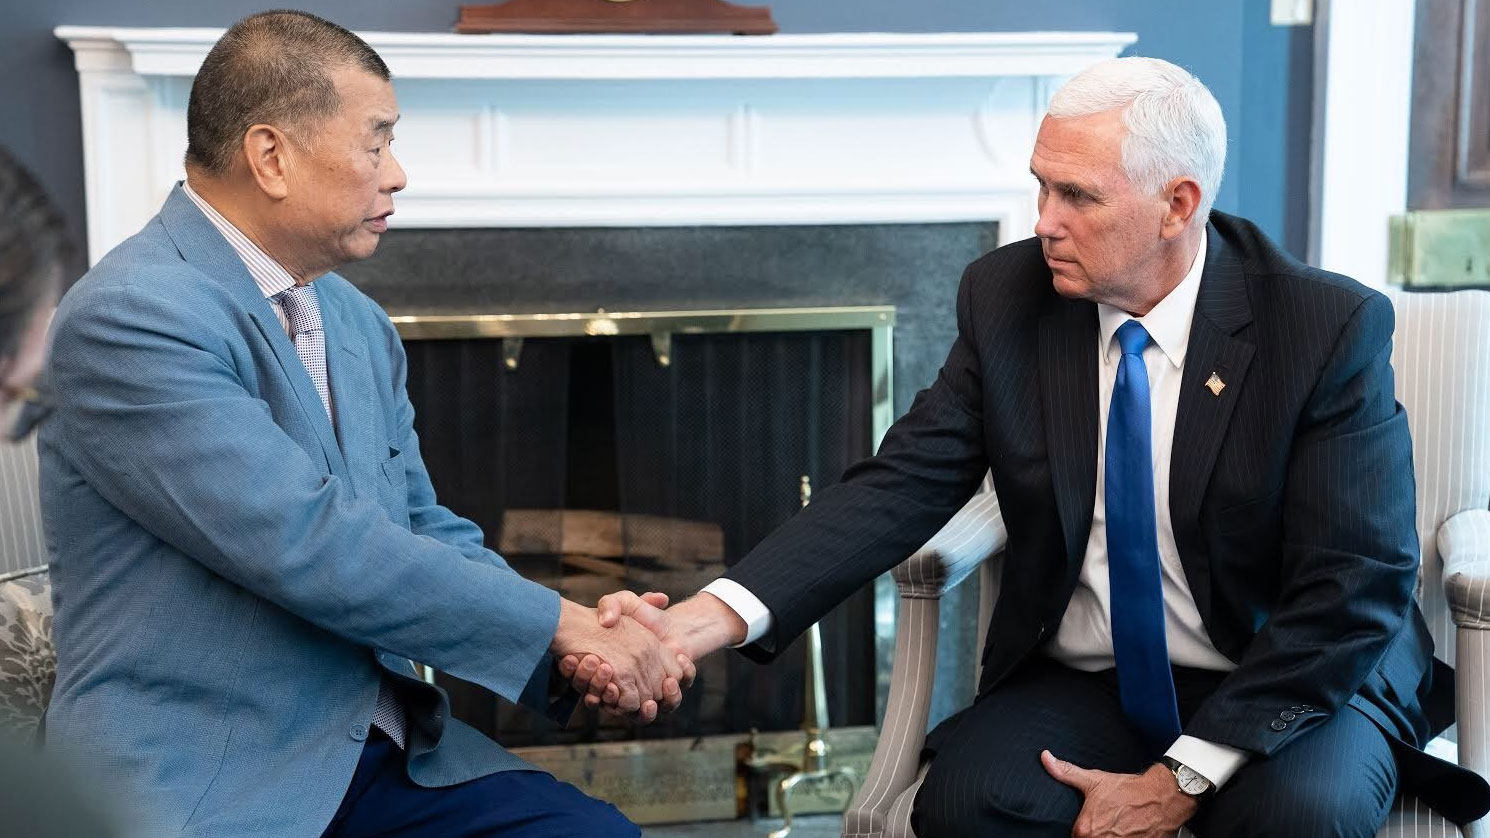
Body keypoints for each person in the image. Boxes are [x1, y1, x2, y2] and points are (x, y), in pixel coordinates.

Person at [566, 57, 1490, 835]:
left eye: (1075, 195)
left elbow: (1355, 582)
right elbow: (900, 484)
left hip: (1289, 669)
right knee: (966, 804)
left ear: (1178, 203)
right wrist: (696, 623)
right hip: (1097, 675)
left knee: (1295, 818)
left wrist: (1178, 783)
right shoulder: (1009, 300)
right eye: (1040, 185)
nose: (1042, 219)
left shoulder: (1321, 328)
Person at [39, 11, 689, 837]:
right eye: (376, 143)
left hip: (383, 752)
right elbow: (306, 541)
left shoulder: (352, 321)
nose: (399, 174)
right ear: (271, 156)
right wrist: (561, 627)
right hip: (205, 775)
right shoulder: (129, 318)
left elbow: (423, 526)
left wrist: (577, 636)